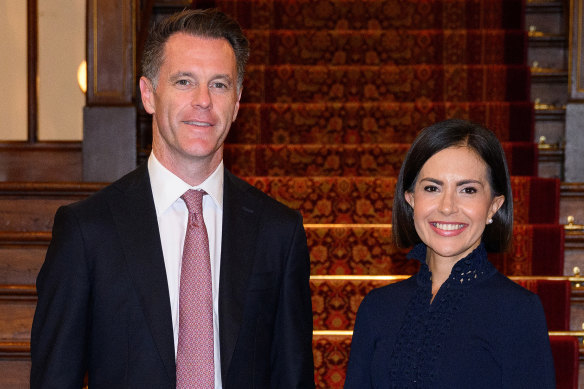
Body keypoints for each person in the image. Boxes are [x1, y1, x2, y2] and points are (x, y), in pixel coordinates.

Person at [30, 9, 314, 389]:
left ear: (237, 102)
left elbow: (293, 378)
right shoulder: (87, 230)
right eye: (184, 81)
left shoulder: (279, 232)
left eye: (219, 85)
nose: (203, 101)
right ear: (149, 94)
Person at [344, 119, 555, 388]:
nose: (447, 207)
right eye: (432, 188)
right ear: (410, 200)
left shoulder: (518, 311)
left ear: (493, 206)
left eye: (468, 190)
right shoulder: (376, 308)